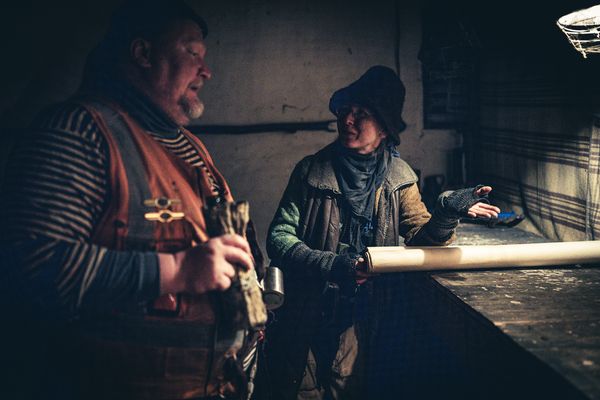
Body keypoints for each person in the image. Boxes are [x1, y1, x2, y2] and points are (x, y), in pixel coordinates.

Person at [0, 1, 263, 399]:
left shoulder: (190, 147)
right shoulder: (79, 130)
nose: (206, 70)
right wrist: (176, 269)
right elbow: (29, 266)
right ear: (143, 53)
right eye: (192, 53)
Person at [263, 65, 500, 400]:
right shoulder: (311, 171)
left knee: (349, 386)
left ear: (385, 129)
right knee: (301, 388)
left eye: (361, 114)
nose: (347, 120)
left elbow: (422, 238)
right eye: (346, 111)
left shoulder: (398, 178)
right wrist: (334, 265)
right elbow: (279, 238)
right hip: (307, 308)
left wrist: (447, 212)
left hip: (363, 315)